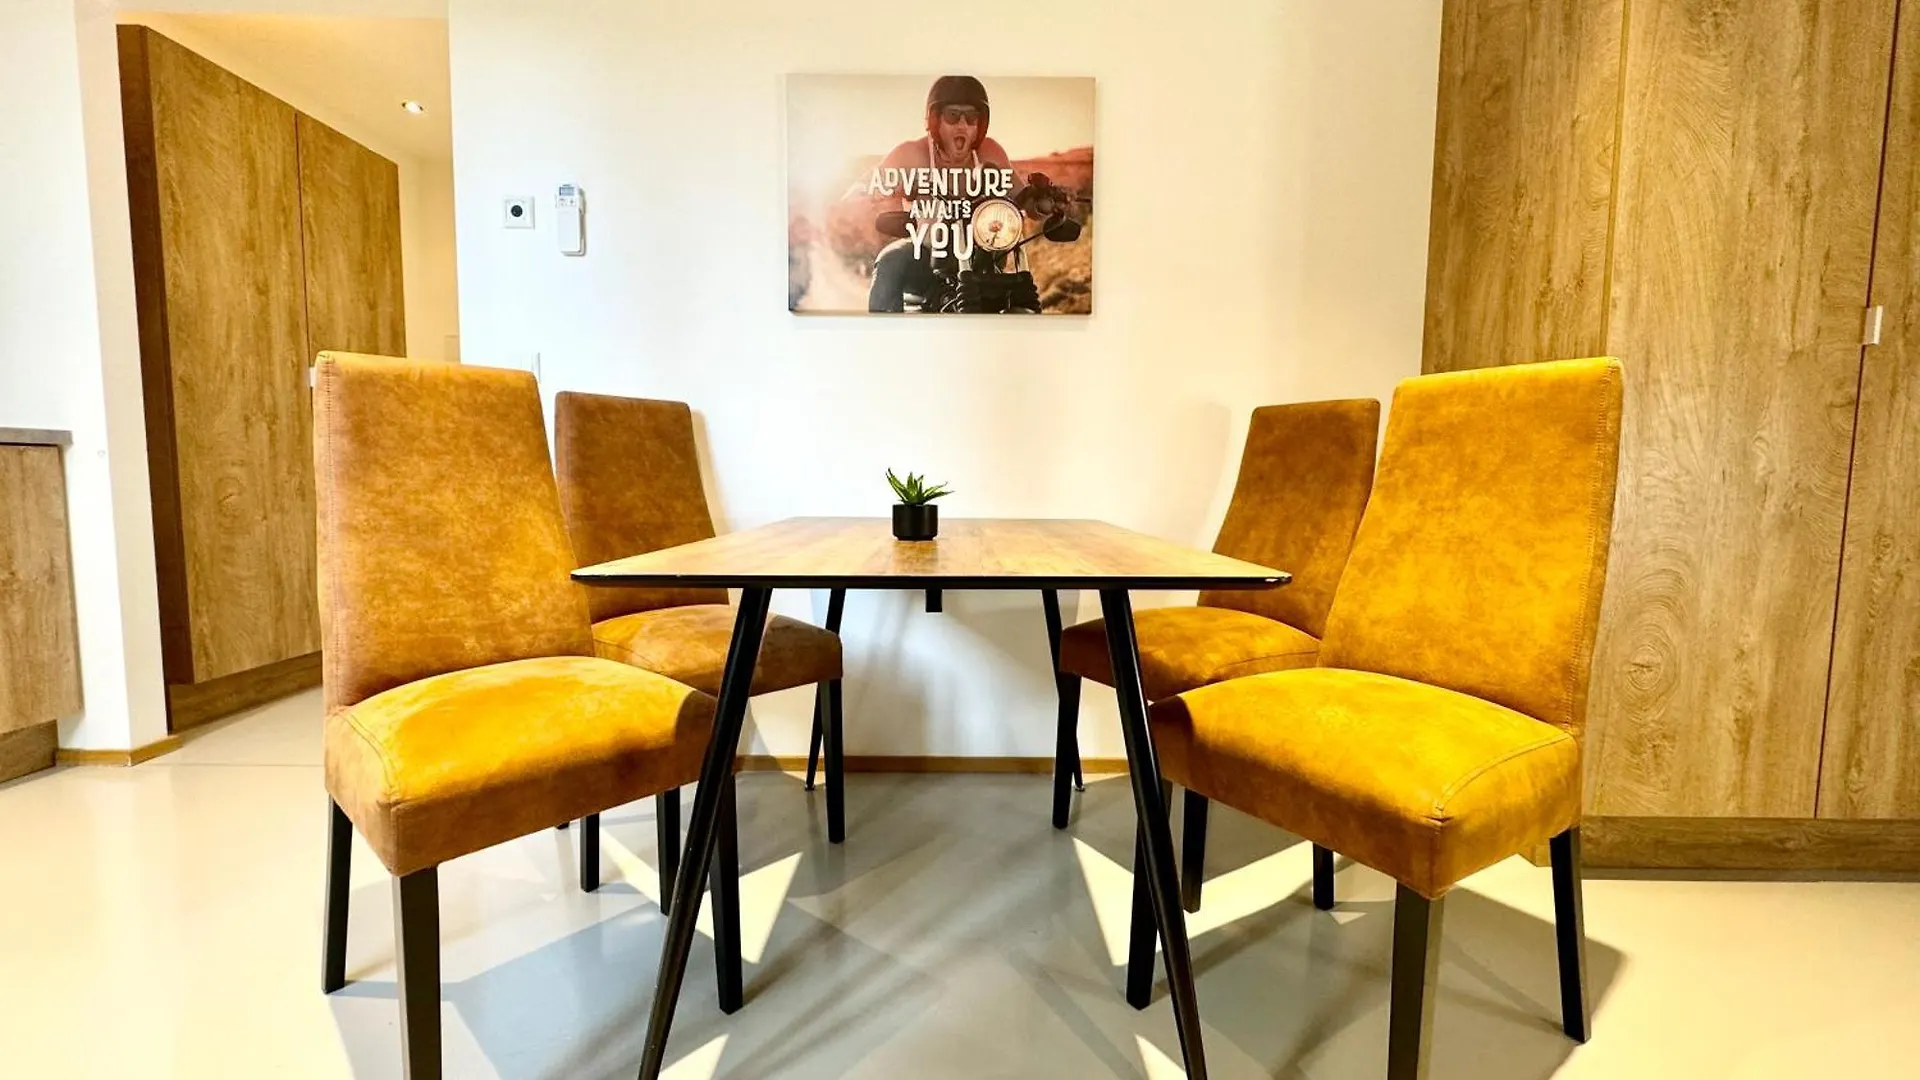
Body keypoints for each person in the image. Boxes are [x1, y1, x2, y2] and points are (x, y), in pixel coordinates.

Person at [866, 76, 1015, 312]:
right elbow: (867, 187)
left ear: (980, 123)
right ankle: (882, 332)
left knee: (1017, 285)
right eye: (953, 116)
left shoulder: (991, 152)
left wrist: (1043, 200)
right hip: (925, 256)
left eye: (971, 118)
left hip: (983, 257)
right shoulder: (911, 154)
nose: (962, 125)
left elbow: (1019, 194)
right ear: (935, 120)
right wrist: (883, 189)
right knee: (890, 261)